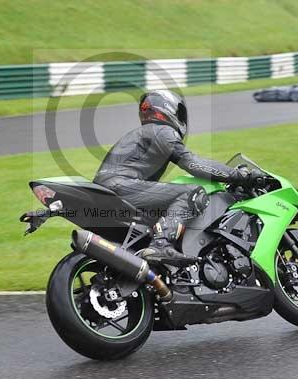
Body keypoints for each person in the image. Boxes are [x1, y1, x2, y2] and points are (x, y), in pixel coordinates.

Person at [93, 90, 260, 266]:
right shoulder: (162, 131)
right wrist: (237, 176)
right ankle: (161, 245)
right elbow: (193, 163)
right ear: (168, 110)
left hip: (111, 188)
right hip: (119, 186)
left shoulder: (144, 133)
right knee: (191, 193)